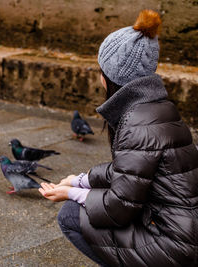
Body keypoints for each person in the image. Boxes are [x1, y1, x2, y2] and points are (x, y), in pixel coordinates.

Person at [39, 9, 198, 267]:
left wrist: (71, 194)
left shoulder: (137, 124)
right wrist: (81, 180)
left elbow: (118, 209)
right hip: (183, 231)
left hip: (173, 246)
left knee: (69, 215)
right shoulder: (159, 108)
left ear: (111, 77)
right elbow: (132, 172)